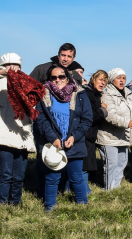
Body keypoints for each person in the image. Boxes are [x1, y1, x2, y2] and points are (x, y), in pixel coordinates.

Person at [36, 65, 93, 211]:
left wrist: (74, 137)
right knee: (52, 178)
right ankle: (49, 208)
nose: (57, 80)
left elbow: (87, 119)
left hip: (74, 142)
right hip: (52, 144)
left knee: (76, 177)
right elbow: (41, 120)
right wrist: (53, 138)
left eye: (61, 76)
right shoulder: (43, 94)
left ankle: (82, 206)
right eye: (53, 77)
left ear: (67, 78)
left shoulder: (80, 94)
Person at [0, 53, 37, 206]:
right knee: (6, 173)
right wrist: (0, 72)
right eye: (8, 65)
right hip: (1, 135)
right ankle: (3, 205)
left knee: (19, 175)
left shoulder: (25, 84)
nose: (12, 68)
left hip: (21, 136)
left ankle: (15, 203)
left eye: (16, 65)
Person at [97, 68, 132, 190]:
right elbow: (109, 116)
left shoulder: (128, 93)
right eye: (118, 78)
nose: (122, 80)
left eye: (124, 78)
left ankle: (117, 187)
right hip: (108, 137)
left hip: (123, 135)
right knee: (111, 164)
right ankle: (109, 190)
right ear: (112, 80)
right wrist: (128, 123)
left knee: (122, 162)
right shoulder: (107, 94)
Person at [81, 70, 109, 190]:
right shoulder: (87, 93)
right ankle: (84, 193)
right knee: (84, 166)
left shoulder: (96, 94)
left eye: (105, 81)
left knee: (88, 164)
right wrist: (103, 111)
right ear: (94, 79)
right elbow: (89, 115)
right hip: (84, 134)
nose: (102, 83)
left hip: (90, 135)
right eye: (100, 79)